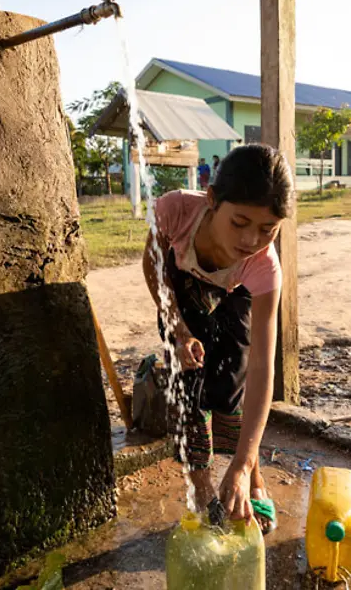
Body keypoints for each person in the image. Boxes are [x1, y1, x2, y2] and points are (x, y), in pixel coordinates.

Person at [143, 144, 292, 534]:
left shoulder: (262, 266)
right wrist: (177, 328)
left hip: (235, 293)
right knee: (190, 387)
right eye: (240, 222)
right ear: (212, 199)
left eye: (268, 229)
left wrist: (242, 466)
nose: (251, 239)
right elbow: (154, 266)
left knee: (232, 387)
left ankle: (252, 477)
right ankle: (202, 484)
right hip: (182, 292)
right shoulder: (175, 210)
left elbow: (262, 367)